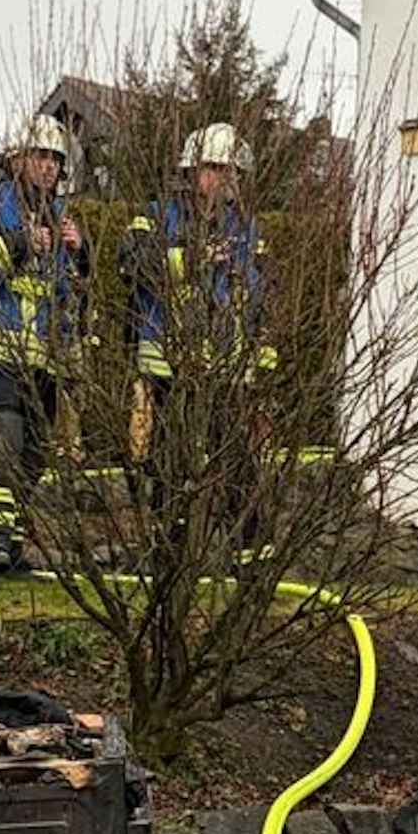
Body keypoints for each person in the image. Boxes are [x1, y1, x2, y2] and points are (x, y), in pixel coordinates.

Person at [119, 122, 275, 561]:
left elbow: (264, 294)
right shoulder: (155, 216)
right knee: (169, 468)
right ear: (191, 170)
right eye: (213, 168)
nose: (224, 179)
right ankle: (166, 558)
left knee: (240, 469)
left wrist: (261, 362)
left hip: (227, 372)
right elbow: (132, 265)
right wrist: (189, 259)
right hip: (168, 371)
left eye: (231, 171)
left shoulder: (246, 230)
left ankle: (253, 564)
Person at [0, 113, 91, 585]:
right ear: (16, 160)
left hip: (47, 360)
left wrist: (81, 255)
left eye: (55, 158)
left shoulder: (65, 216)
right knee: (2, 441)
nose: (48, 166)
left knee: (33, 454)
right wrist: (17, 243)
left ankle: (9, 549)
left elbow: (76, 293)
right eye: (39, 156)